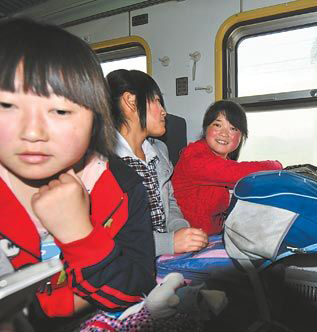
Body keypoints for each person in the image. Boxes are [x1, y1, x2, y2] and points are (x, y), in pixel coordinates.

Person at [0, 18, 156, 326]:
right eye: (6, 105)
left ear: (96, 120)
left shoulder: (121, 185)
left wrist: (79, 234)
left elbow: (138, 290)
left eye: (60, 111)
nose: (32, 132)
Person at [107, 69, 208, 256]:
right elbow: (109, 236)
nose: (164, 112)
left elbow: (169, 203)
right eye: (156, 101)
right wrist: (168, 243)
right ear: (131, 101)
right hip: (131, 260)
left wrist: (179, 229)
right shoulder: (103, 160)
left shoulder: (159, 151)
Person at [172, 100, 283, 235]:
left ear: (241, 136)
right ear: (206, 128)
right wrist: (277, 166)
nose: (224, 133)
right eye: (217, 125)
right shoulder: (193, 156)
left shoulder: (226, 162)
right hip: (187, 239)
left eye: (233, 128)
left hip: (214, 237)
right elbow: (239, 172)